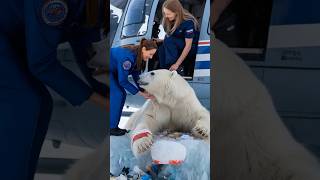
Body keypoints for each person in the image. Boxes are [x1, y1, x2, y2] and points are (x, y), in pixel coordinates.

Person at [0, 0, 108, 179]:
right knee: (24, 101)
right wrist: (101, 101)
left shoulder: (91, 8)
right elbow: (42, 64)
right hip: (7, 40)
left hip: (12, 41)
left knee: (41, 102)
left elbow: (85, 48)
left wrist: (104, 92)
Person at [110, 38, 157, 136]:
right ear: (144, 49)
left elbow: (136, 76)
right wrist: (140, 93)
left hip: (114, 70)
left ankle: (114, 126)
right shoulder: (128, 59)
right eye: (150, 54)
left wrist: (144, 90)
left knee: (122, 94)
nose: (151, 57)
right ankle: (111, 128)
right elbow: (122, 81)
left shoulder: (138, 58)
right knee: (118, 94)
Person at [158, 0, 199, 75]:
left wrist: (177, 64)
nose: (166, 16)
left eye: (168, 14)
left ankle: (177, 68)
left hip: (191, 48)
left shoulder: (188, 22)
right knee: (161, 48)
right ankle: (165, 70)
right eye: (165, 13)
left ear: (176, 12)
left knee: (168, 39)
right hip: (179, 46)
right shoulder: (169, 21)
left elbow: (188, 46)